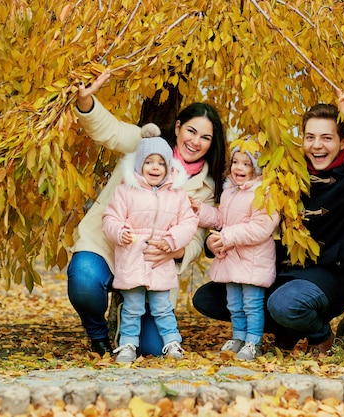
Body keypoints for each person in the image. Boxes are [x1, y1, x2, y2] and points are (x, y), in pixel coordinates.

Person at [193, 89, 344, 354]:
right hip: (283, 270)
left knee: (285, 303)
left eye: (326, 138)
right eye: (310, 137)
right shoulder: (289, 174)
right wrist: (213, 240)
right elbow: (247, 214)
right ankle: (287, 328)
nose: (316, 145)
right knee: (208, 298)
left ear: (343, 141)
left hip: (331, 277)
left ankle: (319, 334)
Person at [68, 69, 226, 357]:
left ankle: (127, 323)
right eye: (191, 130)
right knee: (83, 281)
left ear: (211, 143)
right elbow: (111, 131)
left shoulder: (206, 188)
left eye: (205, 137)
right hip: (109, 245)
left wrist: (175, 252)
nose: (195, 141)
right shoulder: (146, 146)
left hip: (154, 264)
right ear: (178, 127)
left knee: (151, 348)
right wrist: (86, 103)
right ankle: (98, 336)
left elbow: (195, 238)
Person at [102, 125, 199, 362]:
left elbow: (188, 221)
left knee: (162, 307)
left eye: (161, 163)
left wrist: (171, 240)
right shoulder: (126, 191)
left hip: (159, 261)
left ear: (168, 167)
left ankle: (173, 342)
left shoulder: (176, 194)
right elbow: (110, 218)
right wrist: (120, 232)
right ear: (139, 166)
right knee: (133, 307)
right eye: (148, 162)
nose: (155, 167)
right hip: (132, 259)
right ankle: (127, 345)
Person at [193, 138, 280, 360]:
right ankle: (239, 336)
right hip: (232, 258)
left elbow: (261, 228)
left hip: (252, 260)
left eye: (246, 163)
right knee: (234, 303)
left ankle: (253, 341)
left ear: (256, 168)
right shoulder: (230, 191)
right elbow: (221, 218)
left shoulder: (263, 193)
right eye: (235, 162)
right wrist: (201, 211)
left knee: (251, 303)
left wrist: (228, 236)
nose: (238, 168)